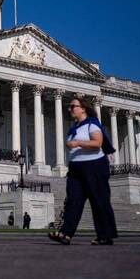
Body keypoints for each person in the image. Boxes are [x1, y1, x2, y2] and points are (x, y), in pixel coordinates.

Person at [48, 95, 118, 246]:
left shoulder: (92, 124)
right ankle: (66, 233)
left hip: (94, 166)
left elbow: (98, 142)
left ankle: (105, 235)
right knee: (73, 200)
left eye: (73, 106)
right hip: (76, 168)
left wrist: (78, 142)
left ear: (83, 109)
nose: (70, 109)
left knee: (99, 201)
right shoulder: (75, 127)